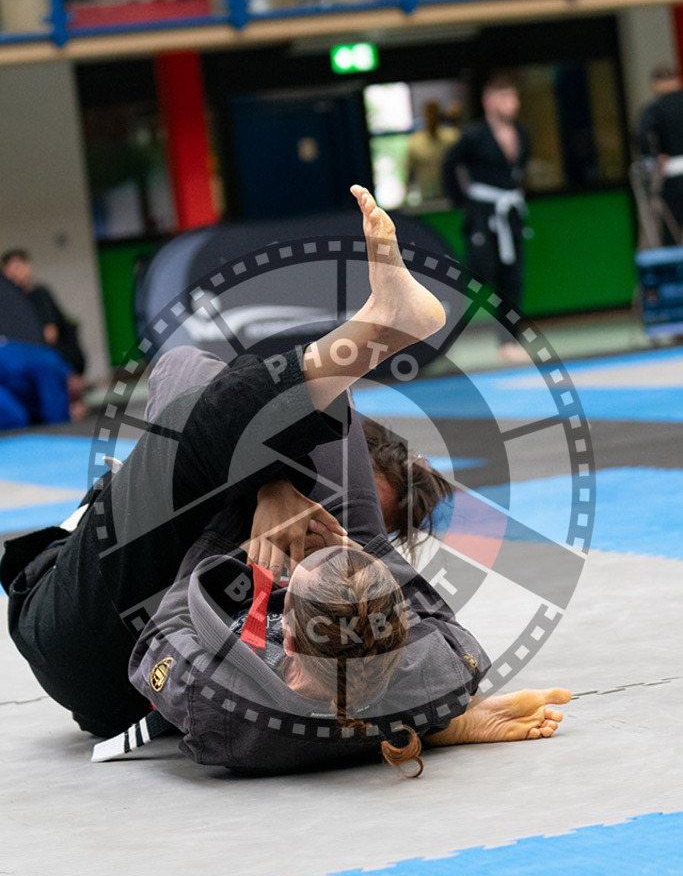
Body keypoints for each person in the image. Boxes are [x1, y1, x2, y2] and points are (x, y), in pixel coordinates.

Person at [0, 185, 570, 778]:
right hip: (84, 629)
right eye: (324, 507)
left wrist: (436, 715)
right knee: (214, 438)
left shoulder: (335, 594)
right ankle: (371, 336)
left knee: (338, 539)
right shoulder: (302, 479)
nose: (314, 539)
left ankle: (375, 334)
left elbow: (260, 711)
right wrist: (271, 487)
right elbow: (179, 367)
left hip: (137, 667)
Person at [442, 73, 531, 363]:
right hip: (482, 213)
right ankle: (444, 334)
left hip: (509, 213)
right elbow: (449, 165)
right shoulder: (474, 135)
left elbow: (517, 172)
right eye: (505, 98)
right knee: (480, 273)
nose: (512, 103)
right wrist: (462, 201)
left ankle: (509, 341)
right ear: (489, 101)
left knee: (513, 278)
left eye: (514, 97)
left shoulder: (522, 133)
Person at [1, 249, 88, 420]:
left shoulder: (38, 295)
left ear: (28, 266)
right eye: (9, 270)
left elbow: (50, 335)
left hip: (55, 359)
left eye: (17, 267)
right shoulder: (10, 301)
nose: (14, 274)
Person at [638, 64, 683, 246]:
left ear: (656, 84)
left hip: (671, 170)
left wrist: (654, 156)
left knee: (672, 227)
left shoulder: (655, 109)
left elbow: (642, 135)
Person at [406, 101, 459, 205]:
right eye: (429, 115)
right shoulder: (415, 142)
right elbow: (409, 172)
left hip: (450, 197)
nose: (432, 118)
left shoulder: (452, 137)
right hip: (426, 198)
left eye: (434, 114)